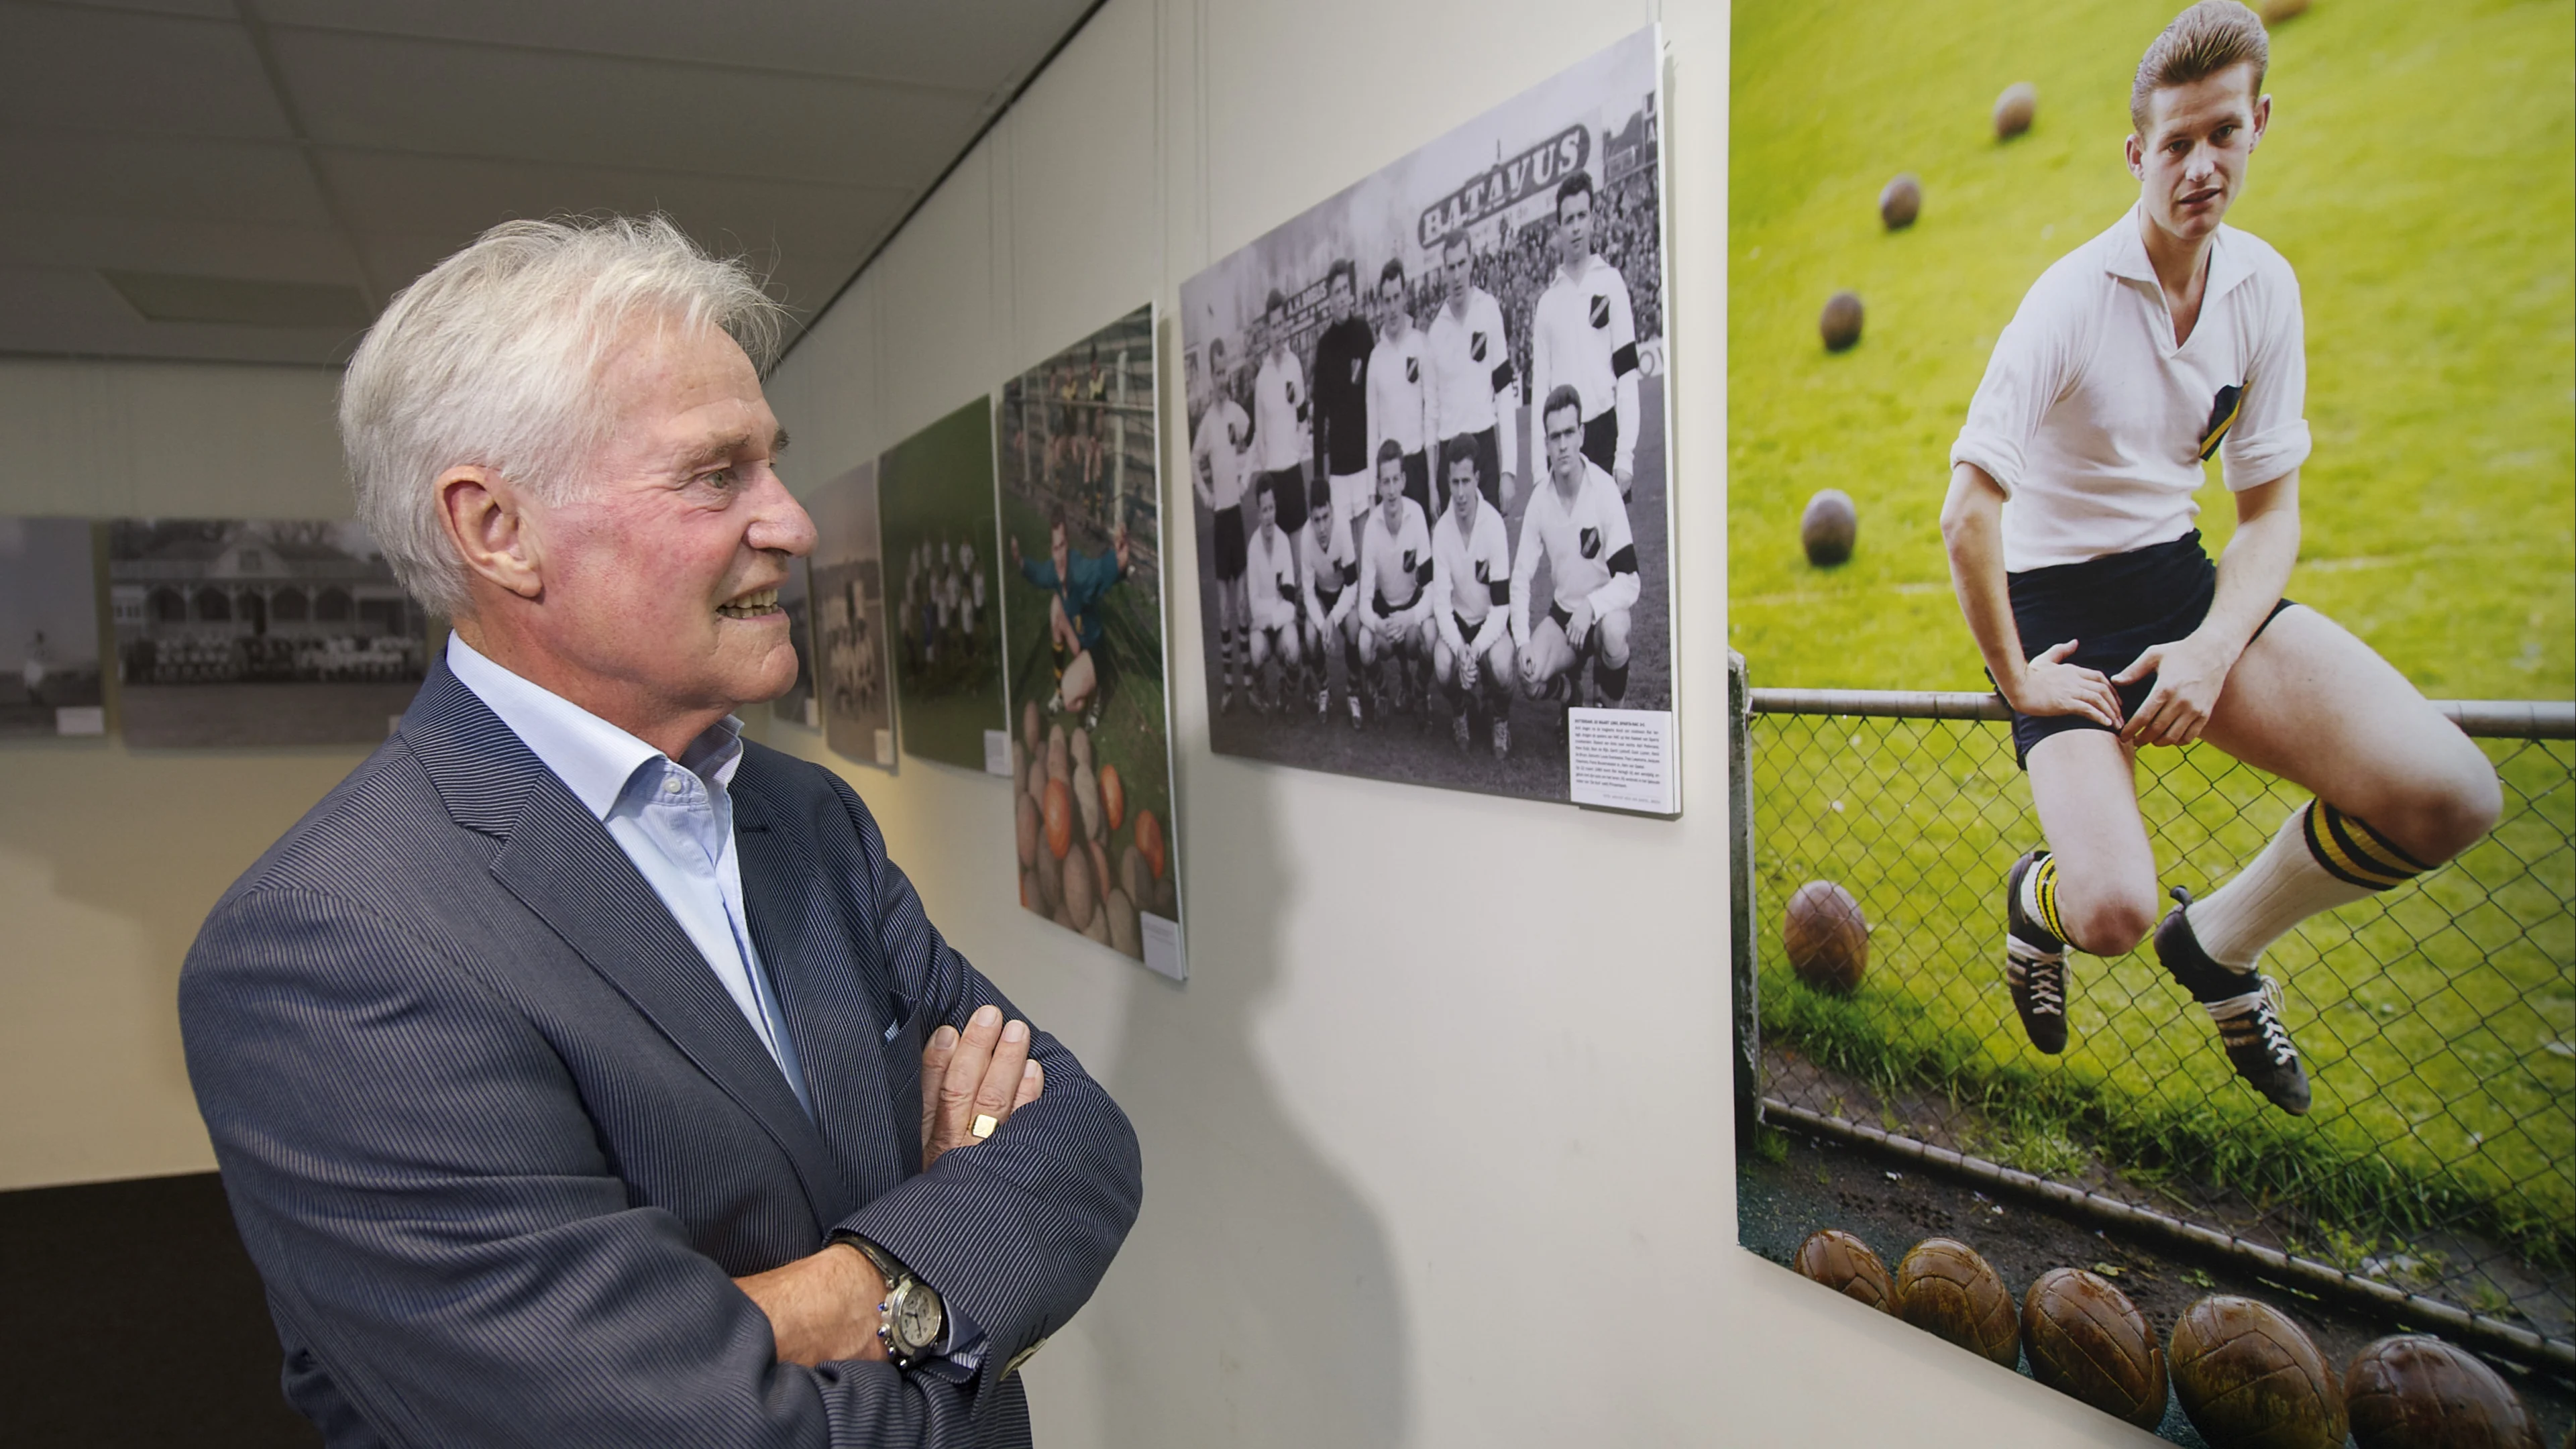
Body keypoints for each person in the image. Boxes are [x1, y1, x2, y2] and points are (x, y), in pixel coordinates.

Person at [178, 217, 1142, 1446]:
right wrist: (946, 1268)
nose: (792, 524)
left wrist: (820, 1307)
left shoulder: (806, 820)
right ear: (498, 532)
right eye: (714, 473)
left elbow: (1081, 1141)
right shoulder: (330, 947)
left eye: (771, 466)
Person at [1940, 1, 2499, 1114]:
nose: (2203, 166)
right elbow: (1967, 514)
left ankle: (2220, 945)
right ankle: (2035, 897)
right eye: (2179, 143)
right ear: (2137, 151)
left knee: (2451, 796)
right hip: (2057, 614)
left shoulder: (2264, 289)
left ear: (2260, 125)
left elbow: (2269, 518)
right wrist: (2018, 679)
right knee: (2107, 914)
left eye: (2225, 135)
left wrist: (2208, 647)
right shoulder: (2067, 301)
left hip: (2181, 585)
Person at [1512, 386, 1639, 742]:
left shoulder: (1604, 490)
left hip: (1601, 614)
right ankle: (1573, 698)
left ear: (1582, 434)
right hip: (1565, 617)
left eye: (1570, 433)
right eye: (1555, 437)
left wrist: (1592, 606)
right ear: (1547, 444)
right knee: (1530, 677)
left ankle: (1609, 722)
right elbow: (1521, 578)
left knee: (1614, 633)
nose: (1563, 444)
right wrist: (1522, 641)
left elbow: (1630, 580)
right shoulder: (1540, 501)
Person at [1525, 170, 1642, 502]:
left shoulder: (1612, 283)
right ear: (1558, 229)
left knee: (1614, 551)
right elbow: (1539, 397)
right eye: (1568, 220)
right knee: (1572, 553)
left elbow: (1627, 374)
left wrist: (1625, 456)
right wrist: (1538, 472)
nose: (1576, 227)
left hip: (1605, 436)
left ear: (1593, 218)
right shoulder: (1547, 305)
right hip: (1565, 446)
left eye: (1582, 216)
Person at [1428, 441, 1517, 759]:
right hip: (1459, 626)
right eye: (1455, 482)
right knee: (1441, 664)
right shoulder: (1441, 531)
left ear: (1477, 477)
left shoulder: (1493, 525)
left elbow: (1502, 606)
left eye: (1467, 481)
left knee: (1504, 665)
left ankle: (1500, 717)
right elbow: (1440, 605)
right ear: (1448, 481)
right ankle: (1460, 712)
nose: (1461, 492)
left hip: (1488, 625)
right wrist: (1460, 648)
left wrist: (1476, 649)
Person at [1425, 231, 1520, 509]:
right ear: (1444, 271)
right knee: (1455, 551)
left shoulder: (1489, 310)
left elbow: (1504, 391)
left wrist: (1509, 472)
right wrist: (1433, 485)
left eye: (1462, 264)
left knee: (1490, 548)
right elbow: (1430, 414)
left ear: (1472, 264)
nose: (1456, 275)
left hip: (1484, 449)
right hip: (1450, 453)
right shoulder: (1435, 333)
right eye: (1450, 267)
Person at [1010, 511, 1130, 731]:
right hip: (1078, 639)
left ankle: (1100, 690)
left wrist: (1120, 559)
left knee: (1071, 700)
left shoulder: (1081, 572)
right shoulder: (1054, 572)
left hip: (1095, 649)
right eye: (1056, 548)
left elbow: (1102, 570)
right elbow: (1038, 573)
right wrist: (1020, 561)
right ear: (1052, 550)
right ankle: (1059, 688)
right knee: (1056, 606)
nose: (1060, 556)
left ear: (1069, 545)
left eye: (1063, 546)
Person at [1191, 336, 1254, 714]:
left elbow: (1252, 445)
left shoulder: (1237, 414)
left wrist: (1245, 482)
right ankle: (1229, 687)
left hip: (1237, 519)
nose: (1221, 379)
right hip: (1219, 520)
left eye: (1224, 371)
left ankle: (1249, 684)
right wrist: (1206, 496)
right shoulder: (1207, 424)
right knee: (1224, 610)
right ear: (1208, 376)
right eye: (1216, 373)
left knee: (1242, 605)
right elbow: (1194, 461)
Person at [1354, 440, 1436, 726]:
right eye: (1384, 482)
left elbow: (1431, 589)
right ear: (1377, 485)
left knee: (1432, 633)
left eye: (1395, 480)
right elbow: (1364, 601)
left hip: (1410, 616)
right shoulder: (1371, 529)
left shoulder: (1417, 517)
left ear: (1404, 480)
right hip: (1387, 619)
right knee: (1365, 642)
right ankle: (1384, 691)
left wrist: (1410, 617)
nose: (1390, 490)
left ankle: (1420, 689)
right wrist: (1381, 625)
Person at [1367, 260, 1438, 523]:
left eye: (1397, 297)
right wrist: (1371, 494)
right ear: (1380, 305)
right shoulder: (1375, 360)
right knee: (1395, 560)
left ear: (1405, 297)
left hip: (1417, 467)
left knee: (1425, 556)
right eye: (1387, 300)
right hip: (1389, 476)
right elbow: (1371, 433)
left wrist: (1432, 484)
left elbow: (1431, 416)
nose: (1393, 307)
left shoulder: (1421, 345)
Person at [1248, 290, 1311, 574]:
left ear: (1286, 326)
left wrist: (1295, 451)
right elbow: (1259, 436)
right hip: (1274, 478)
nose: (1278, 333)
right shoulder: (1261, 381)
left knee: (1299, 556)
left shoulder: (1295, 366)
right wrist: (1268, 466)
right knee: (1279, 562)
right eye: (1273, 327)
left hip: (1294, 472)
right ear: (1267, 331)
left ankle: (1304, 608)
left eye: (1281, 326)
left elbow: (1303, 416)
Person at [1311, 260, 1376, 534]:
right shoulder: (1323, 348)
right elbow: (1320, 416)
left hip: (1364, 464)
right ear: (1329, 299)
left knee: (1369, 547)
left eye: (1345, 290)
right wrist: (1317, 477)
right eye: (1336, 292)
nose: (1341, 298)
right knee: (1347, 556)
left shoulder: (1363, 333)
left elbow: (1375, 395)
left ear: (1351, 293)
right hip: (1338, 472)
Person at [1298, 490, 1362, 729]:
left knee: (1355, 625)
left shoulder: (1343, 528)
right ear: (1310, 519)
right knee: (1310, 634)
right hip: (1320, 596)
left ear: (1332, 512)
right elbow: (1308, 592)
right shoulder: (1306, 539)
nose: (1323, 527)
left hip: (1343, 593)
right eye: (1317, 520)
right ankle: (1324, 687)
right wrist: (1322, 622)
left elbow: (1352, 585)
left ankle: (1353, 690)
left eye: (1326, 517)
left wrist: (1332, 620)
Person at [1240, 485, 1302, 714]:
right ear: (1258, 513)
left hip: (1278, 623)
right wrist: (1275, 605)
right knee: (1255, 648)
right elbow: (1254, 606)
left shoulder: (1284, 543)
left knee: (1293, 646)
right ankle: (1264, 693)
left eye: (1272, 508)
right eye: (1264, 509)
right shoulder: (1253, 549)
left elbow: (1290, 606)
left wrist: (1270, 616)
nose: (1268, 515)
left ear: (1276, 509)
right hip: (1267, 628)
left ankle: (1286, 696)